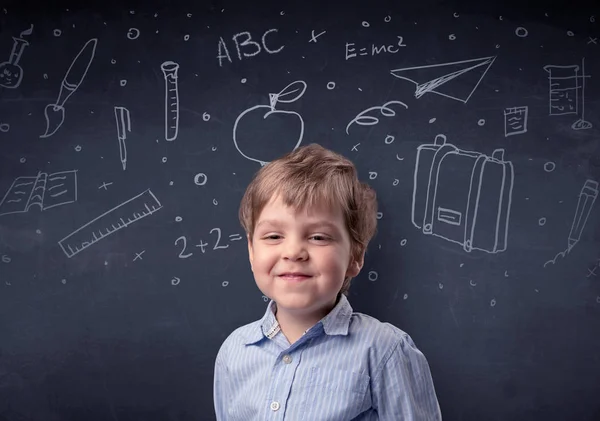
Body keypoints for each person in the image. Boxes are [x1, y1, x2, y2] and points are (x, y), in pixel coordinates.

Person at [214, 144, 441, 420]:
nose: (293, 252)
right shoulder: (235, 351)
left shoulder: (383, 350)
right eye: (274, 236)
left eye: (319, 237)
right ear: (251, 251)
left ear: (355, 256)